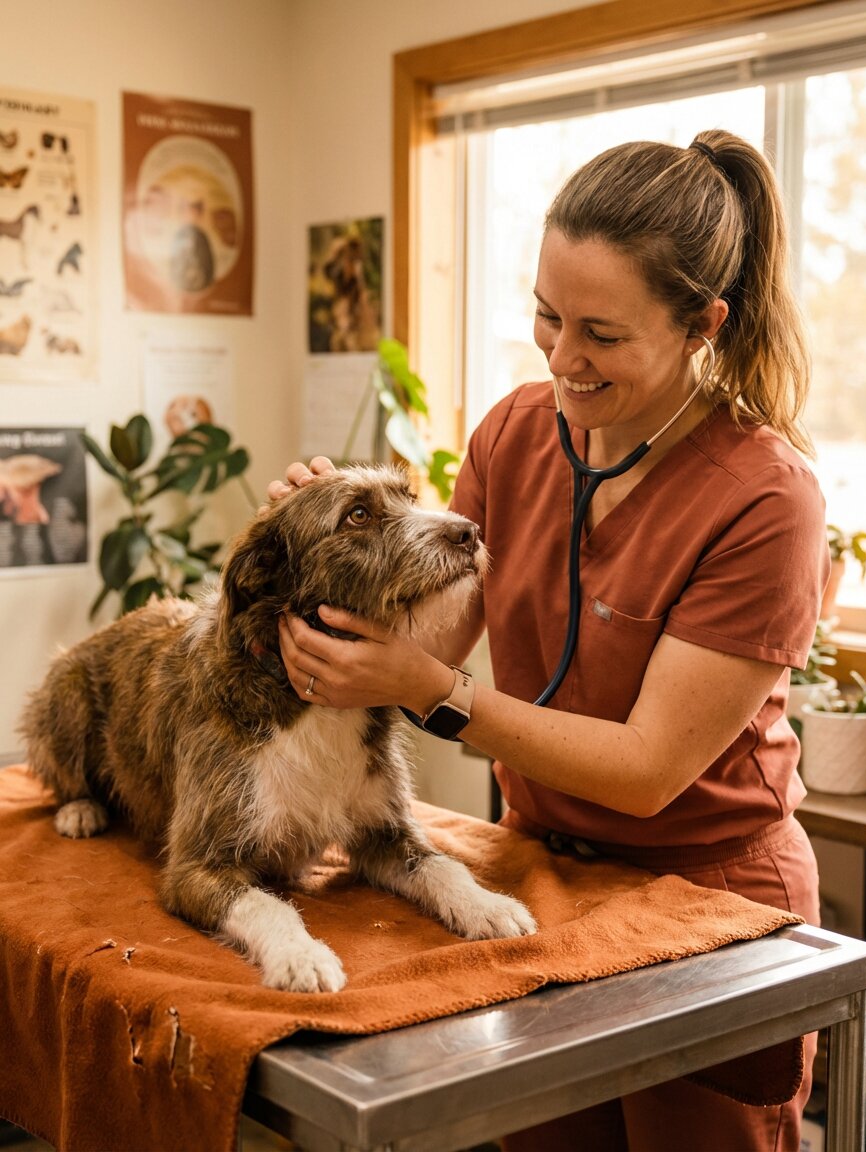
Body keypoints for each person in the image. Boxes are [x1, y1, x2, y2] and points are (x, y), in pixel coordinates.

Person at [267, 129, 830, 1152]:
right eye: (546, 315)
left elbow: (647, 770)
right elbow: (431, 635)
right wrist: (330, 547)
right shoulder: (514, 433)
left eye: (602, 335)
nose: (563, 357)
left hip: (706, 898)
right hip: (537, 868)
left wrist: (430, 689)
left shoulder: (765, 497)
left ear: (703, 323)